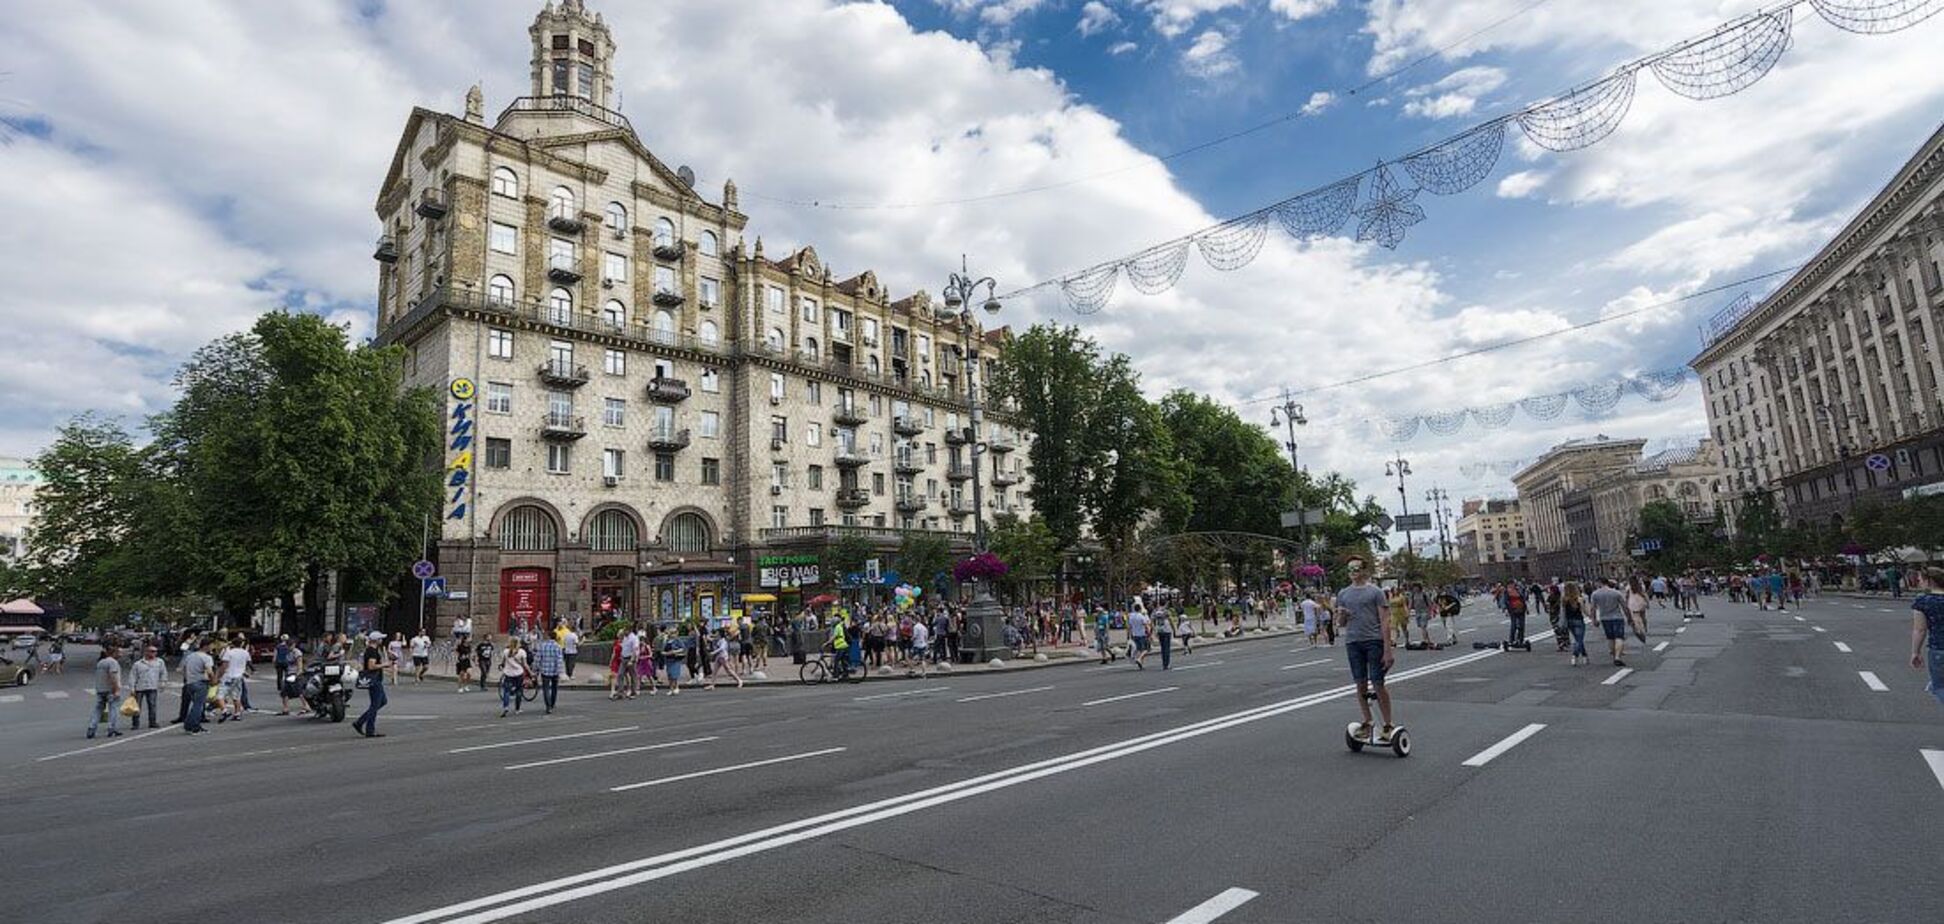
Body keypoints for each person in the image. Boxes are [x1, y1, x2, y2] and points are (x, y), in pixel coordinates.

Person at [1334, 559, 1395, 742]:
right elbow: (1341, 623)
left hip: (1374, 641)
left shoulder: (1375, 592)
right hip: (1353, 642)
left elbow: (1384, 620)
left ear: (1364, 571)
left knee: (1377, 682)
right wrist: (1342, 615)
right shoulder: (1343, 594)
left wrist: (1388, 649)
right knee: (1360, 683)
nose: (1353, 572)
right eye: (1350, 569)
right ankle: (1368, 721)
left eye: (1356, 568)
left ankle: (1388, 724)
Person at [1909, 567, 1944, 705]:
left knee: (1940, 686)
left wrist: (1915, 652)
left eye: (1920, 580)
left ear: (1929, 581)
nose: (1919, 582)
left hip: (1939, 648)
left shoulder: (1923, 601)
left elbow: (1920, 630)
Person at [87, 641, 125, 739]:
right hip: (110, 689)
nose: (121, 654)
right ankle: (112, 728)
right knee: (113, 709)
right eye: (120, 652)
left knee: (98, 709)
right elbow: (113, 676)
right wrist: (116, 689)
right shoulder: (113, 662)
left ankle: (91, 728)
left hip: (101, 689)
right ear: (114, 653)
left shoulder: (101, 662)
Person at [352, 632, 388, 738]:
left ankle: (360, 722)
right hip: (374, 680)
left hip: (375, 679)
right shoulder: (372, 651)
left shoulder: (371, 650)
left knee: (382, 701)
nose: (382, 640)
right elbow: (371, 666)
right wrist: (384, 665)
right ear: (376, 640)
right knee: (375, 705)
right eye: (380, 638)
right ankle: (369, 730)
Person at [1590, 578, 1630, 668]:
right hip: (1617, 617)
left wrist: (1594, 619)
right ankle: (1617, 657)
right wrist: (1628, 617)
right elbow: (1624, 606)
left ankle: (1614, 654)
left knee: (1610, 638)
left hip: (1605, 618)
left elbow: (1593, 608)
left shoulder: (1595, 594)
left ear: (1600, 583)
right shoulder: (1616, 593)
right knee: (1619, 637)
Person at [180, 640, 216, 735]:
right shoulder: (207, 657)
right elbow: (210, 671)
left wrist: (187, 679)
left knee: (195, 705)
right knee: (198, 706)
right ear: (206, 646)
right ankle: (194, 727)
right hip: (200, 682)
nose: (212, 648)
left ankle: (189, 725)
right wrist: (213, 680)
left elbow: (184, 669)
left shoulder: (190, 656)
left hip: (190, 683)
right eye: (211, 646)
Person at [129, 643, 166, 729]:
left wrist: (163, 682)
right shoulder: (138, 664)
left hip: (152, 686)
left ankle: (152, 722)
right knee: (137, 706)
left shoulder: (159, 662)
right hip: (140, 687)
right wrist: (132, 688)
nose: (154, 653)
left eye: (155, 651)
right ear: (146, 652)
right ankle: (135, 723)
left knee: (152, 705)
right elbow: (132, 676)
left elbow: (163, 673)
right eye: (152, 651)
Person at [217, 633, 251, 724]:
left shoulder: (229, 652)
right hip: (239, 677)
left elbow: (224, 666)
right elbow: (247, 663)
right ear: (241, 644)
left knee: (220, 695)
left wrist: (218, 676)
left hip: (228, 676)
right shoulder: (245, 653)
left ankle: (224, 711)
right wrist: (245, 672)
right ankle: (237, 713)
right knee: (237, 696)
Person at [532, 631, 564, 714]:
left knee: (546, 688)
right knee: (554, 688)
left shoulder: (542, 646)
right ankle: (552, 703)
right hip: (555, 671)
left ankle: (548, 706)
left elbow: (537, 659)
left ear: (549, 637)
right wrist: (560, 671)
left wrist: (535, 669)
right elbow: (559, 660)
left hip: (545, 670)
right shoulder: (558, 646)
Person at [498, 637, 530, 718]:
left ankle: (506, 707)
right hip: (519, 673)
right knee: (519, 691)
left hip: (508, 673)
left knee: (506, 691)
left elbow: (503, 662)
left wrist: (502, 666)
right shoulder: (522, 652)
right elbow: (525, 664)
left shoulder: (506, 651)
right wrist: (530, 672)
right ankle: (517, 709)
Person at [1561, 582, 1589, 666]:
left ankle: (1584, 655)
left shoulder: (1564, 599)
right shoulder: (1579, 599)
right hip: (1579, 620)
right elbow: (1584, 610)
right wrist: (1591, 616)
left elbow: (1563, 612)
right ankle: (1575, 655)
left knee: (1578, 639)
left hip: (1569, 621)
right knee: (1579, 640)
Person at [618, 623, 642, 699]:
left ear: (629, 630)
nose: (624, 631)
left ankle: (633, 692)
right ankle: (620, 692)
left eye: (625, 630)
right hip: (624, 658)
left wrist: (632, 660)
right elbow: (623, 646)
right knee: (620, 674)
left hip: (631, 658)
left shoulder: (634, 638)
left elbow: (635, 650)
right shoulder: (625, 637)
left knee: (633, 675)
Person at [1407, 582, 1434, 647]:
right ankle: (1428, 640)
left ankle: (1425, 640)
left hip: (1424, 611)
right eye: (1414, 588)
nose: (1415, 589)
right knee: (1421, 627)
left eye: (1416, 587)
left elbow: (1429, 604)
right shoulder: (1413, 595)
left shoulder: (1424, 594)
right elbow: (1410, 604)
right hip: (1417, 612)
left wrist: (1430, 612)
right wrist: (1408, 611)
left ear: (1419, 588)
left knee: (1423, 626)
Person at [1125, 604, 1151, 669]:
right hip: (1142, 634)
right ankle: (1139, 659)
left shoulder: (1131, 616)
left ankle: (1141, 663)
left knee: (1139, 649)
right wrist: (1149, 633)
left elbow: (1129, 626)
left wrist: (1128, 634)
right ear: (1140, 609)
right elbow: (1146, 625)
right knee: (1146, 649)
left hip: (1134, 634)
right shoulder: (1141, 616)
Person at [1626, 577, 1650, 643]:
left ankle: (1639, 629)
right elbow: (1644, 595)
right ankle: (1645, 627)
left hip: (1633, 603)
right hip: (1641, 602)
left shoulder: (1628, 587)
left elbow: (1627, 596)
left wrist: (1626, 604)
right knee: (1643, 616)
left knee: (1636, 617)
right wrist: (1647, 603)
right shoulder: (1640, 586)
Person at [1504, 582, 1528, 646]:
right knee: (1514, 626)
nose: (1512, 586)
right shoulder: (1507, 591)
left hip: (1521, 610)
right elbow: (1505, 601)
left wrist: (1526, 608)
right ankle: (1512, 640)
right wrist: (1506, 609)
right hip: (1513, 610)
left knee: (1521, 626)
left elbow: (1523, 599)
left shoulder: (1519, 590)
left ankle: (1521, 640)